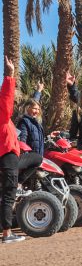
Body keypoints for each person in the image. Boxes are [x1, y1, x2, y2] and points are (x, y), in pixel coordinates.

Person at [0, 56, 25, 243]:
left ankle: (20, 182)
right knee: (8, 195)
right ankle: (7, 234)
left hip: (11, 155)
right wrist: (10, 75)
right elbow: (7, 101)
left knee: (36, 159)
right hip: (6, 155)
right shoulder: (2, 115)